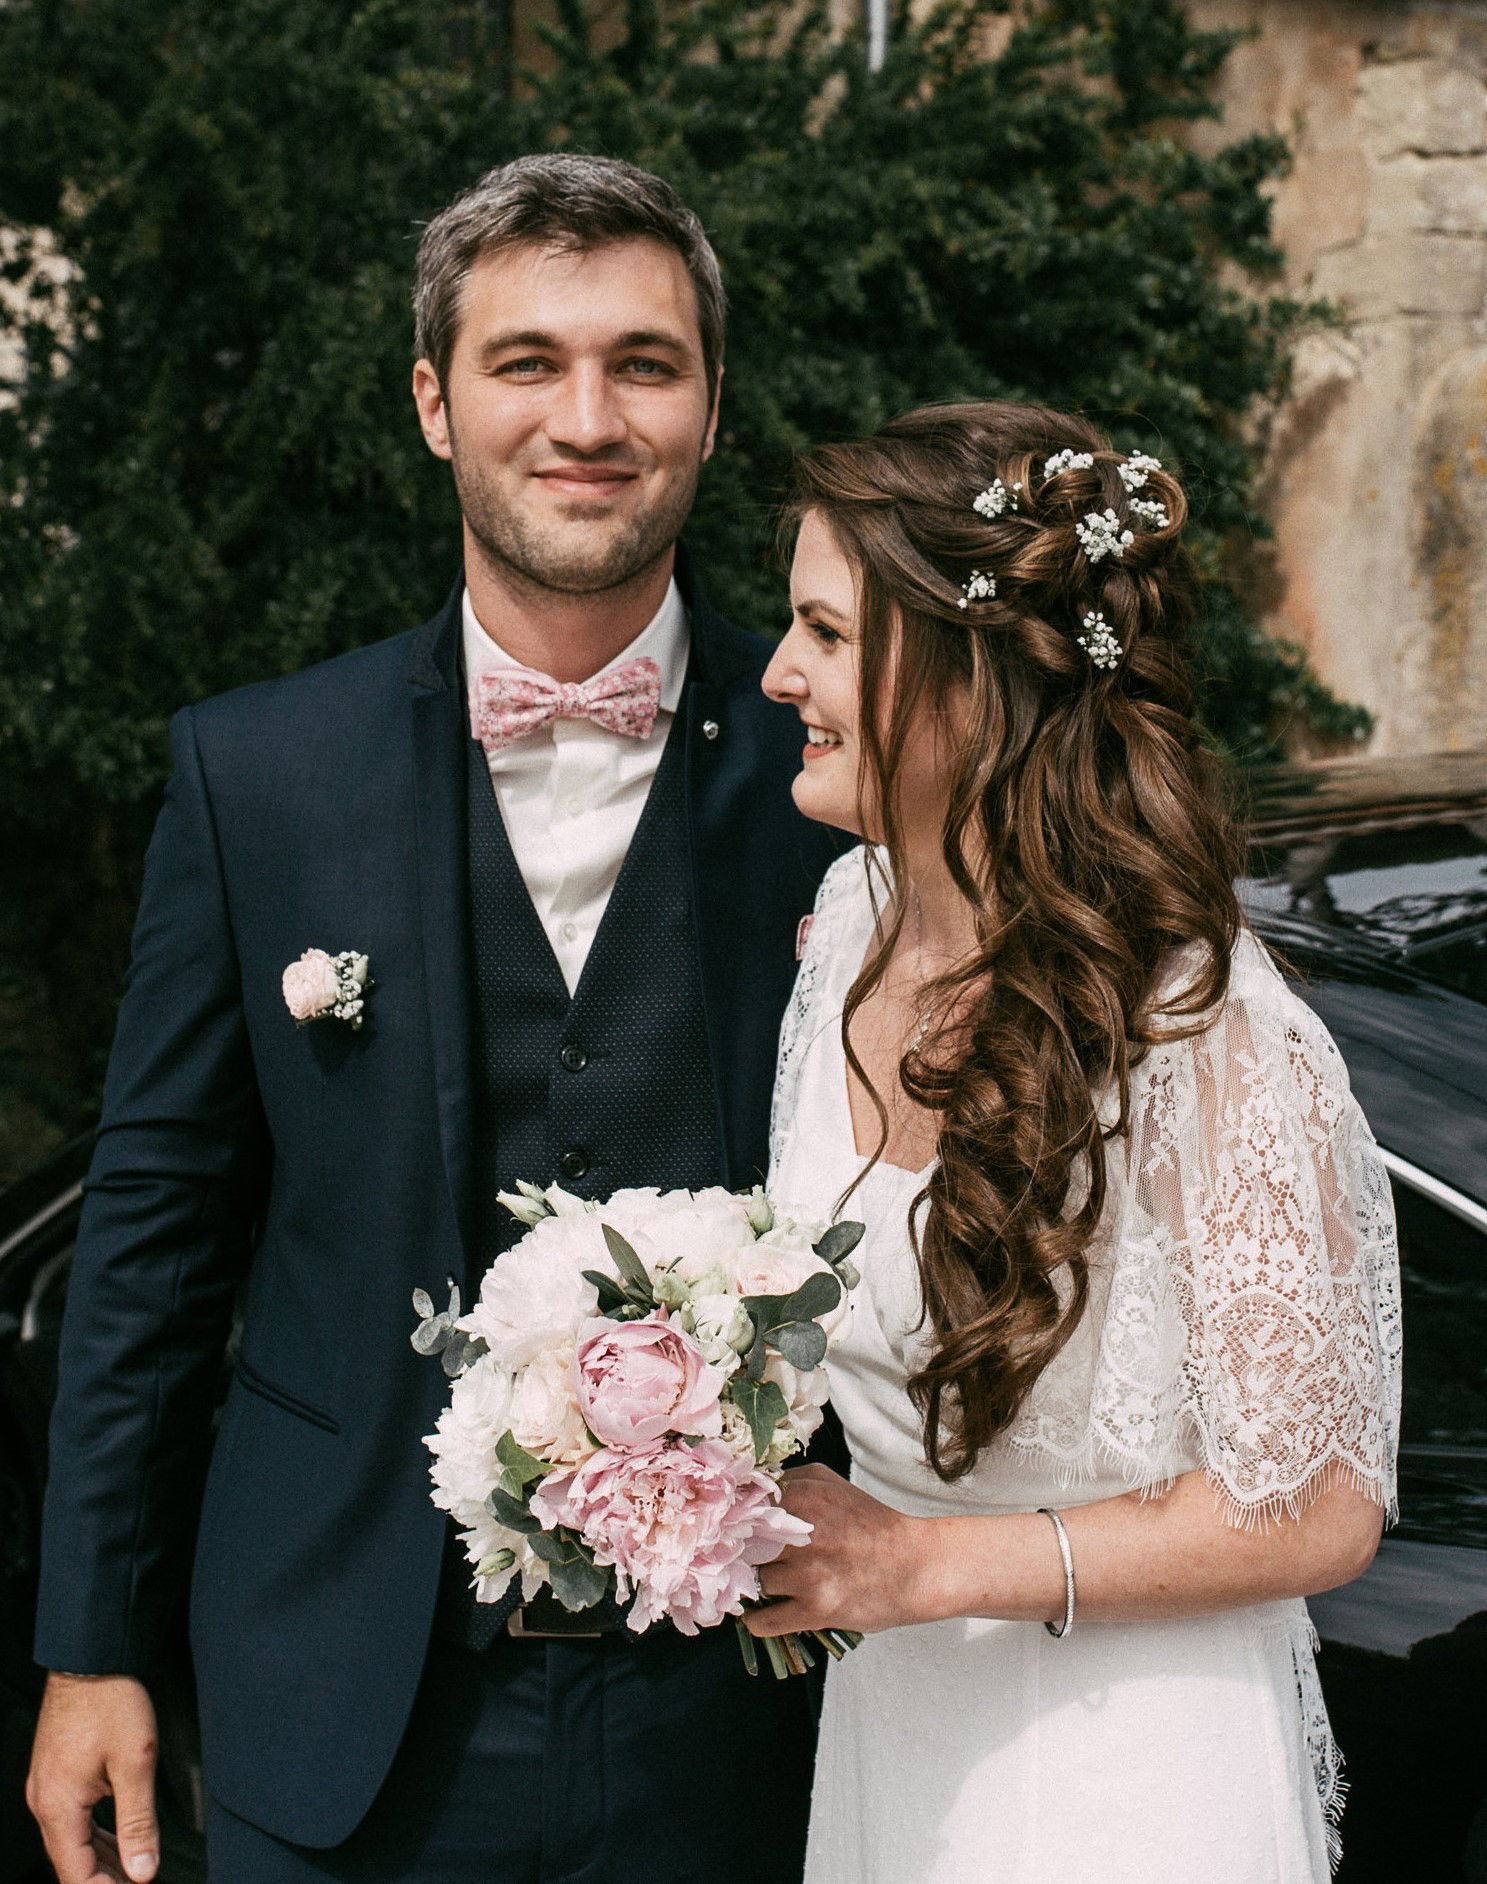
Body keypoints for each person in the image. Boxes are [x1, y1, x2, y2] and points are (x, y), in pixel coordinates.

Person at [26, 153, 840, 1884]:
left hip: (775, 1719)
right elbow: (156, 1240)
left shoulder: (851, 766)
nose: (588, 417)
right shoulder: (258, 772)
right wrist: (90, 1643)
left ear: (710, 404)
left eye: (646, 361)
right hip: (337, 1711)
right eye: (526, 362)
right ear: (433, 403)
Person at [753, 401, 1402, 1882]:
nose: (781, 674)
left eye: (828, 635)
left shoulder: (1201, 1025)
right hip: (900, 1733)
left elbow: (1315, 1505)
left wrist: (919, 1565)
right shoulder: (846, 925)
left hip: (1135, 1767)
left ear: (979, 679)